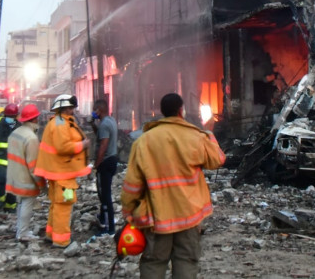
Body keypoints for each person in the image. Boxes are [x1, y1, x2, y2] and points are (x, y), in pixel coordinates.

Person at [121, 93, 226, 279]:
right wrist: (209, 133)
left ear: (162, 112)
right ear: (180, 111)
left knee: (154, 262)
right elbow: (217, 159)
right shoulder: (195, 136)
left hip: (157, 217)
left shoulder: (143, 142)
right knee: (186, 260)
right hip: (189, 215)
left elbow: (132, 184)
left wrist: (129, 213)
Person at [34, 94, 91, 248]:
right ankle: (61, 240)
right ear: (65, 108)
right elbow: (63, 147)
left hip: (58, 172)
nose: (73, 110)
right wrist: (82, 145)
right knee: (64, 205)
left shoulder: (59, 122)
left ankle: (51, 234)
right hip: (63, 174)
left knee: (56, 204)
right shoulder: (61, 124)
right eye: (71, 108)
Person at [6, 104, 46, 242]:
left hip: (14, 175)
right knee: (27, 203)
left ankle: (20, 230)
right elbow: (34, 166)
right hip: (26, 178)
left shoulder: (15, 133)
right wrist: (42, 184)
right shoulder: (31, 138)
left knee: (21, 203)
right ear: (34, 119)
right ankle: (23, 233)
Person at [92, 98, 119, 236]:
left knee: (105, 195)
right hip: (112, 159)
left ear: (99, 110)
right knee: (104, 192)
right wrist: (92, 123)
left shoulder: (104, 125)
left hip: (106, 162)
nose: (93, 112)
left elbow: (103, 145)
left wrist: (96, 164)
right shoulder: (110, 121)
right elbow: (100, 134)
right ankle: (103, 219)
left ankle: (109, 228)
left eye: (94, 109)